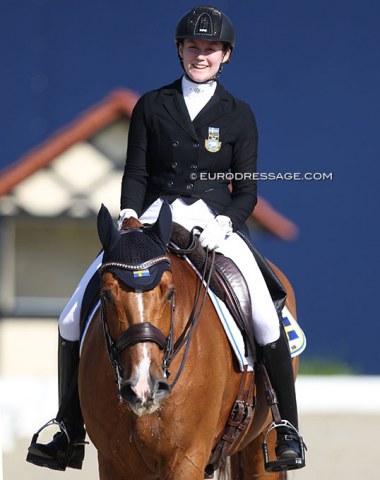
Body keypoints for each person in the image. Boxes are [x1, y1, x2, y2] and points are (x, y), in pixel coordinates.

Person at [27, 5, 305, 472]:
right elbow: (135, 172)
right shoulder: (152, 105)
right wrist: (131, 214)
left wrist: (226, 223)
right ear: (180, 50)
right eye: (193, 47)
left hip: (216, 225)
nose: (201, 55)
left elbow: (248, 190)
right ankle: (69, 428)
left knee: (263, 313)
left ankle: (284, 429)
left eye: (210, 48)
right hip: (154, 220)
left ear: (225, 55)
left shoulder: (239, 114)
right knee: (73, 312)